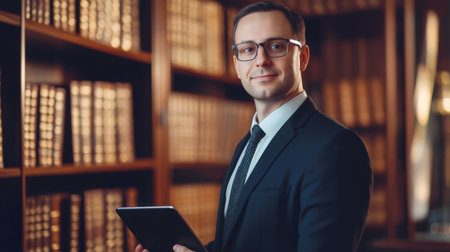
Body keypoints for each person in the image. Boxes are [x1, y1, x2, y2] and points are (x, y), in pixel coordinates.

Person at [137, 1, 372, 252]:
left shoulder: (336, 147)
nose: (261, 60)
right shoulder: (248, 144)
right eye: (248, 49)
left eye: (275, 46)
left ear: (302, 57)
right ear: (237, 65)